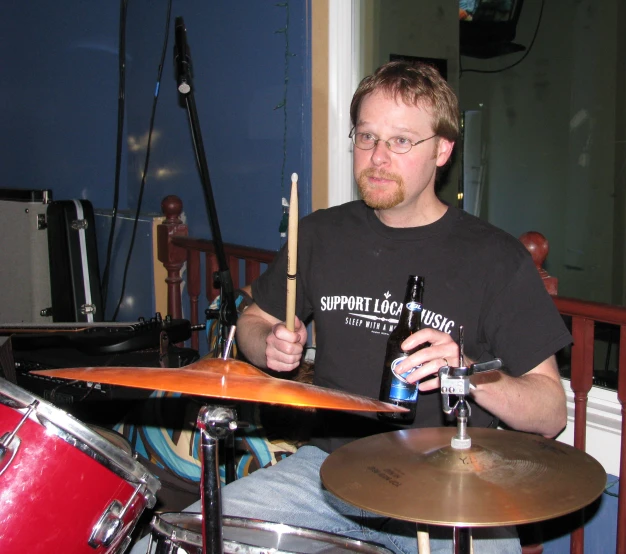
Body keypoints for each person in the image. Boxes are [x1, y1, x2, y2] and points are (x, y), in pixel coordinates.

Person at [133, 60, 571, 554]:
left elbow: (550, 412)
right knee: (179, 542)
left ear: (443, 151)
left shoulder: (495, 257)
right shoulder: (321, 234)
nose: (377, 157)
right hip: (326, 474)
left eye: (401, 141)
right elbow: (254, 319)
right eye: (366, 137)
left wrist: (466, 373)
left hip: (455, 488)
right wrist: (269, 345)